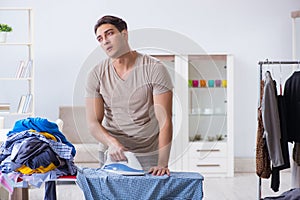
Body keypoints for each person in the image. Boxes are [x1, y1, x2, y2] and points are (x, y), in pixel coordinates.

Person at [85, 15, 173, 176]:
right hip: (111, 152)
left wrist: (162, 163)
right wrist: (112, 143)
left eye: (109, 33)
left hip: (147, 152)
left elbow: (165, 120)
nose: (104, 41)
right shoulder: (96, 74)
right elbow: (93, 123)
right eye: (100, 38)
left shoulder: (154, 68)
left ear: (124, 34)